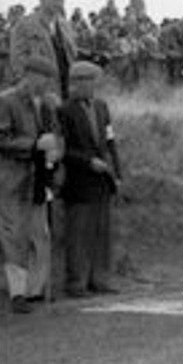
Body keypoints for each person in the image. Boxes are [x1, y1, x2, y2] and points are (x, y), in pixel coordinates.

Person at [0, 56, 63, 313]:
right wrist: (34, 145)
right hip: (12, 180)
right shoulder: (4, 100)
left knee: (40, 235)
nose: (48, 83)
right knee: (13, 236)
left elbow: (54, 135)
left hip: (38, 179)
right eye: (45, 78)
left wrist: (55, 151)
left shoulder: (47, 104)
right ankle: (17, 295)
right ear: (31, 75)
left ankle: (35, 290)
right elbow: (0, 139)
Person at [58, 61, 123, 297]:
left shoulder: (102, 107)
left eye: (95, 81)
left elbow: (110, 141)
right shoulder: (65, 111)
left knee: (101, 233)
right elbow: (62, 149)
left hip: (102, 180)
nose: (94, 86)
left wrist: (117, 173)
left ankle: (100, 279)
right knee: (79, 234)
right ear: (77, 83)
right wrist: (87, 162)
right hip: (79, 181)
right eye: (90, 81)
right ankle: (76, 283)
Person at [9, 0, 79, 100]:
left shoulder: (65, 24)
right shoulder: (24, 25)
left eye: (62, 0)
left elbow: (72, 53)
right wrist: (27, 85)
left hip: (67, 85)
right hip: (42, 88)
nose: (60, 4)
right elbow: (18, 58)